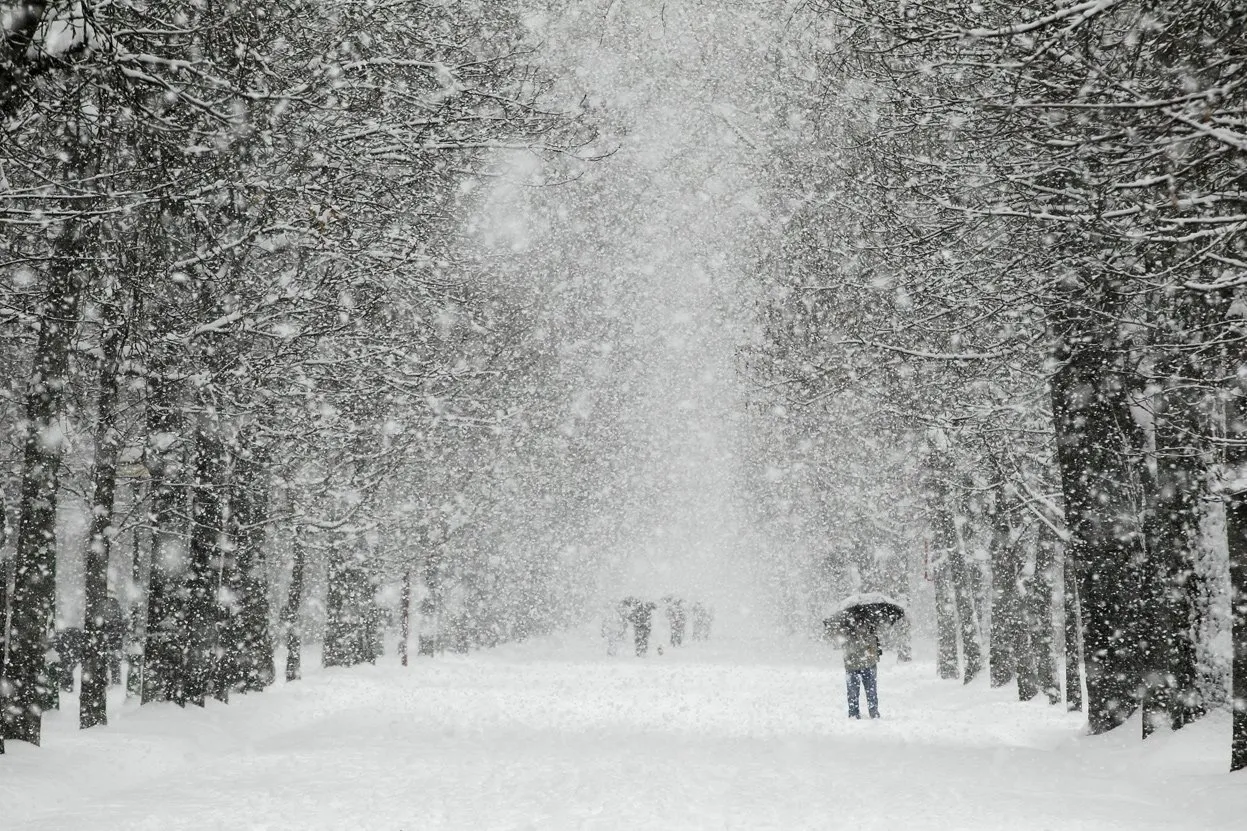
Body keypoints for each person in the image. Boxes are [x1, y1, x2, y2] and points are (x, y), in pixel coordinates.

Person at [836, 619, 881, 719]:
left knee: (862, 692)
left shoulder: (869, 628)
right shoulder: (848, 630)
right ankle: (859, 713)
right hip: (858, 665)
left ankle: (858, 713)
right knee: (866, 691)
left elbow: (873, 647)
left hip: (862, 664)